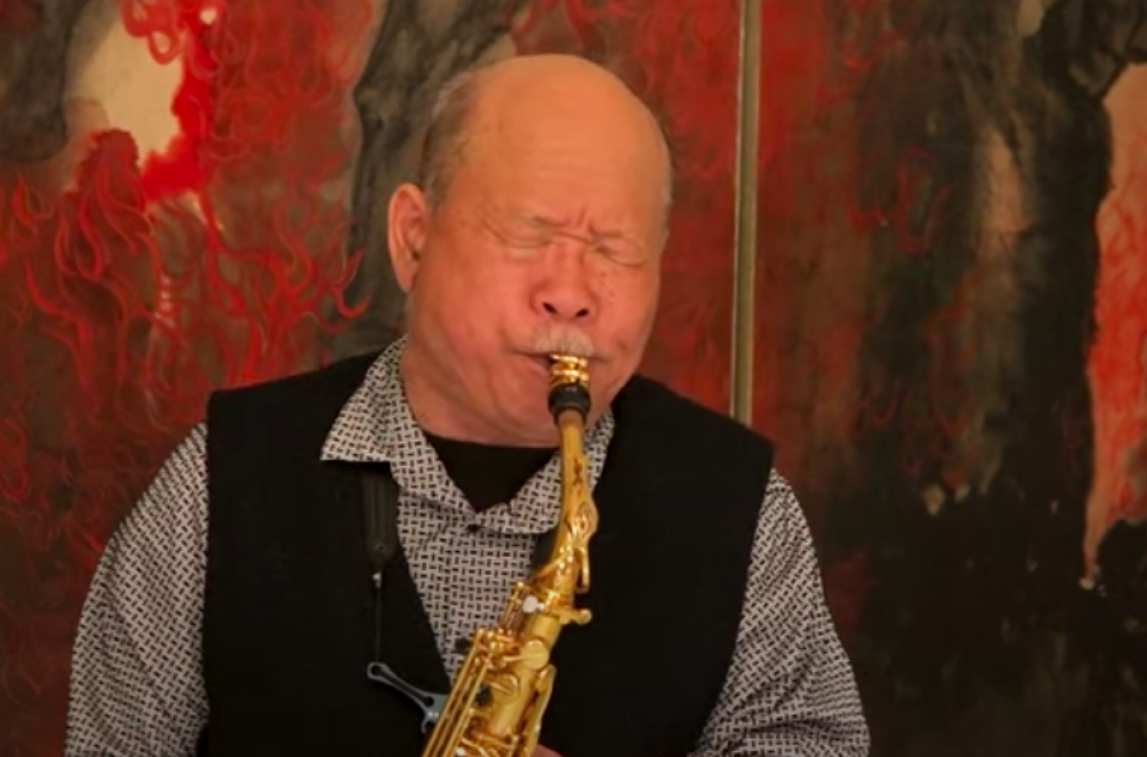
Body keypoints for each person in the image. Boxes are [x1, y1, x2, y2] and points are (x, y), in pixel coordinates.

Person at [63, 53, 870, 757]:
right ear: (413, 237)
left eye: (613, 249)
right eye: (530, 234)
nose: (570, 294)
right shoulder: (221, 481)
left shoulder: (742, 509)